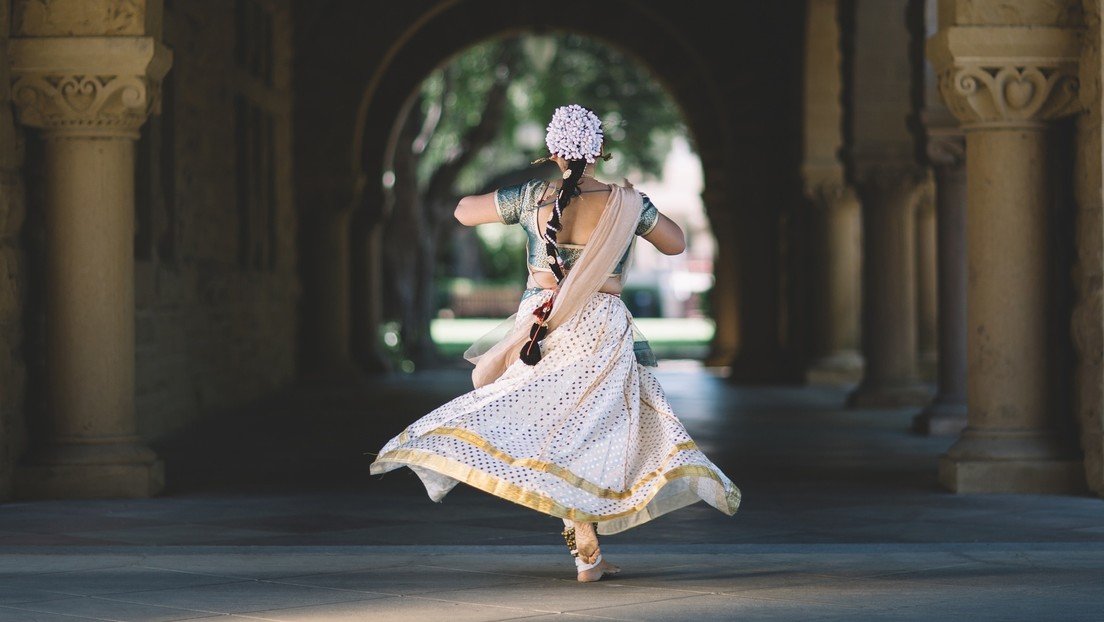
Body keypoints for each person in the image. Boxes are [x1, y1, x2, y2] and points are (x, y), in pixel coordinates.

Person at [370, 104, 741, 582]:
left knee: (546, 422)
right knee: (594, 429)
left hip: (541, 326)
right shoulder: (626, 203)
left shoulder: (533, 198)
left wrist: (514, 197)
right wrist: (638, 210)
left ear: (552, 152)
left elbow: (462, 212)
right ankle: (588, 549)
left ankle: (585, 549)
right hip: (600, 327)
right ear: (600, 151)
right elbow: (676, 244)